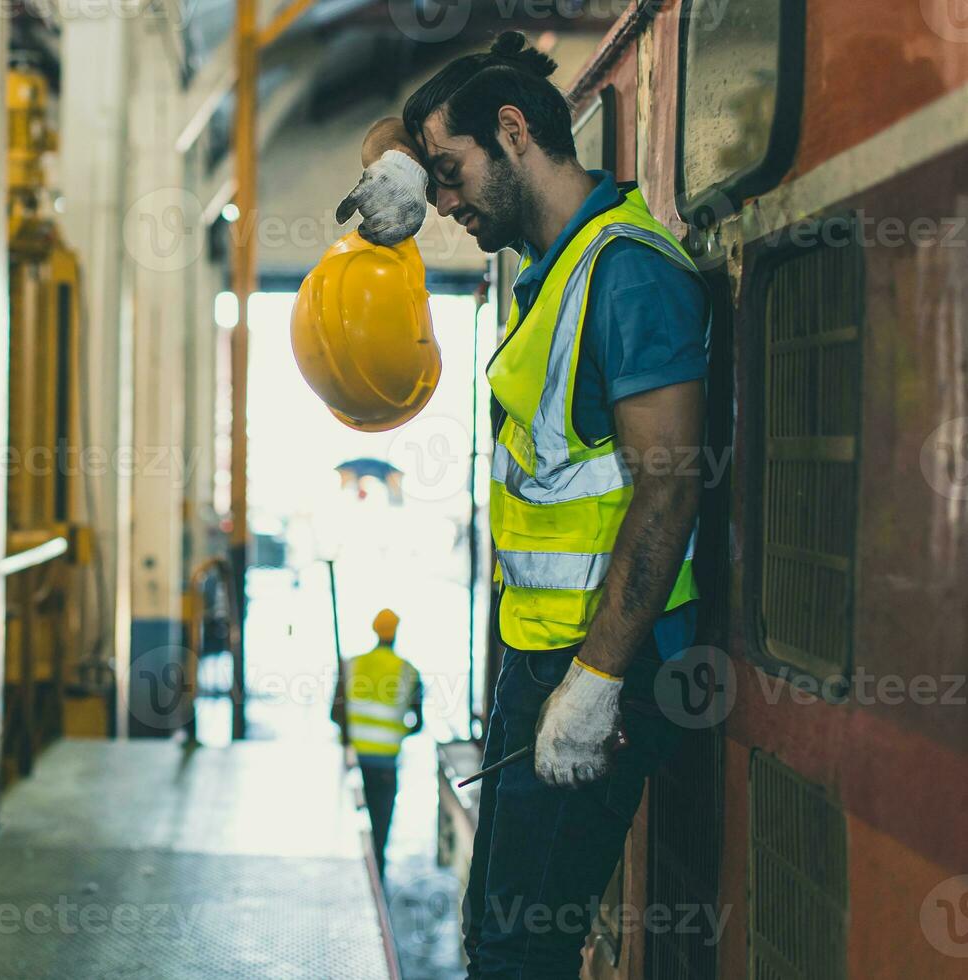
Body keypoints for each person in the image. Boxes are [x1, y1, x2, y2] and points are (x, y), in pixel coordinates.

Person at [336, 31, 708, 978]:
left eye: (451, 176)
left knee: (520, 953)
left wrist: (594, 683)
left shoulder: (627, 271)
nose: (445, 203)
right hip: (538, 656)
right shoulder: (556, 267)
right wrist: (397, 163)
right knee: (495, 936)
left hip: (599, 671)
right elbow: (412, 139)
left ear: (514, 130)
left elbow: (669, 485)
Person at [331, 608, 423, 881]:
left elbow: (335, 714)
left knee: (351, 826)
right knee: (380, 828)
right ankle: (376, 879)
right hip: (385, 763)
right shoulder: (409, 671)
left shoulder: (351, 666)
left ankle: (351, 876)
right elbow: (417, 723)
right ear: (395, 633)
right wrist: (396, 733)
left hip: (354, 760)